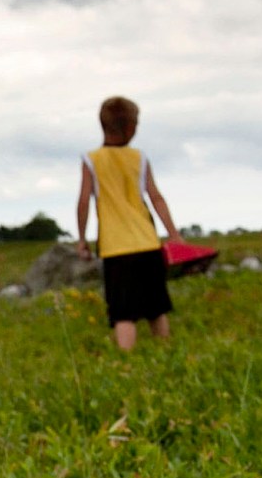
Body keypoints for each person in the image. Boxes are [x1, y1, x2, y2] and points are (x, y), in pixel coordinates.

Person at [76, 97, 187, 353]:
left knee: (123, 313)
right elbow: (156, 197)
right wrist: (174, 234)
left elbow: (83, 202)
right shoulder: (140, 158)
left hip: (116, 248)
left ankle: (126, 360)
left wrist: (82, 240)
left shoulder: (91, 159)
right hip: (147, 243)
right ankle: (166, 351)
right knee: (156, 307)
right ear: (130, 128)